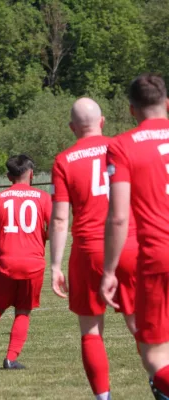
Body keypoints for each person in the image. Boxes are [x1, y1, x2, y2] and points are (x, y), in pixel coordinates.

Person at [50, 98, 138, 400]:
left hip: (88, 250)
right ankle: (161, 382)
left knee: (90, 331)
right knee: (141, 325)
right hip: (128, 244)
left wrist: (55, 266)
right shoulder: (124, 147)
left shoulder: (64, 160)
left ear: (72, 127)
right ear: (102, 121)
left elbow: (60, 219)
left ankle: (103, 398)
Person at [101, 73, 169, 399]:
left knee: (155, 355)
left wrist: (110, 270)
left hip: (158, 255)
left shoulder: (122, 145)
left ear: (131, 110)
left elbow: (118, 216)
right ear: (167, 103)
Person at [0, 155, 51, 369]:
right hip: (33, 264)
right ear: (31, 173)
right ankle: (10, 358)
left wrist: (5, 238)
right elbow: (53, 230)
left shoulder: (0, 198)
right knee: (23, 311)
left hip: (5, 262)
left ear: (8, 176)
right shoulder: (43, 197)